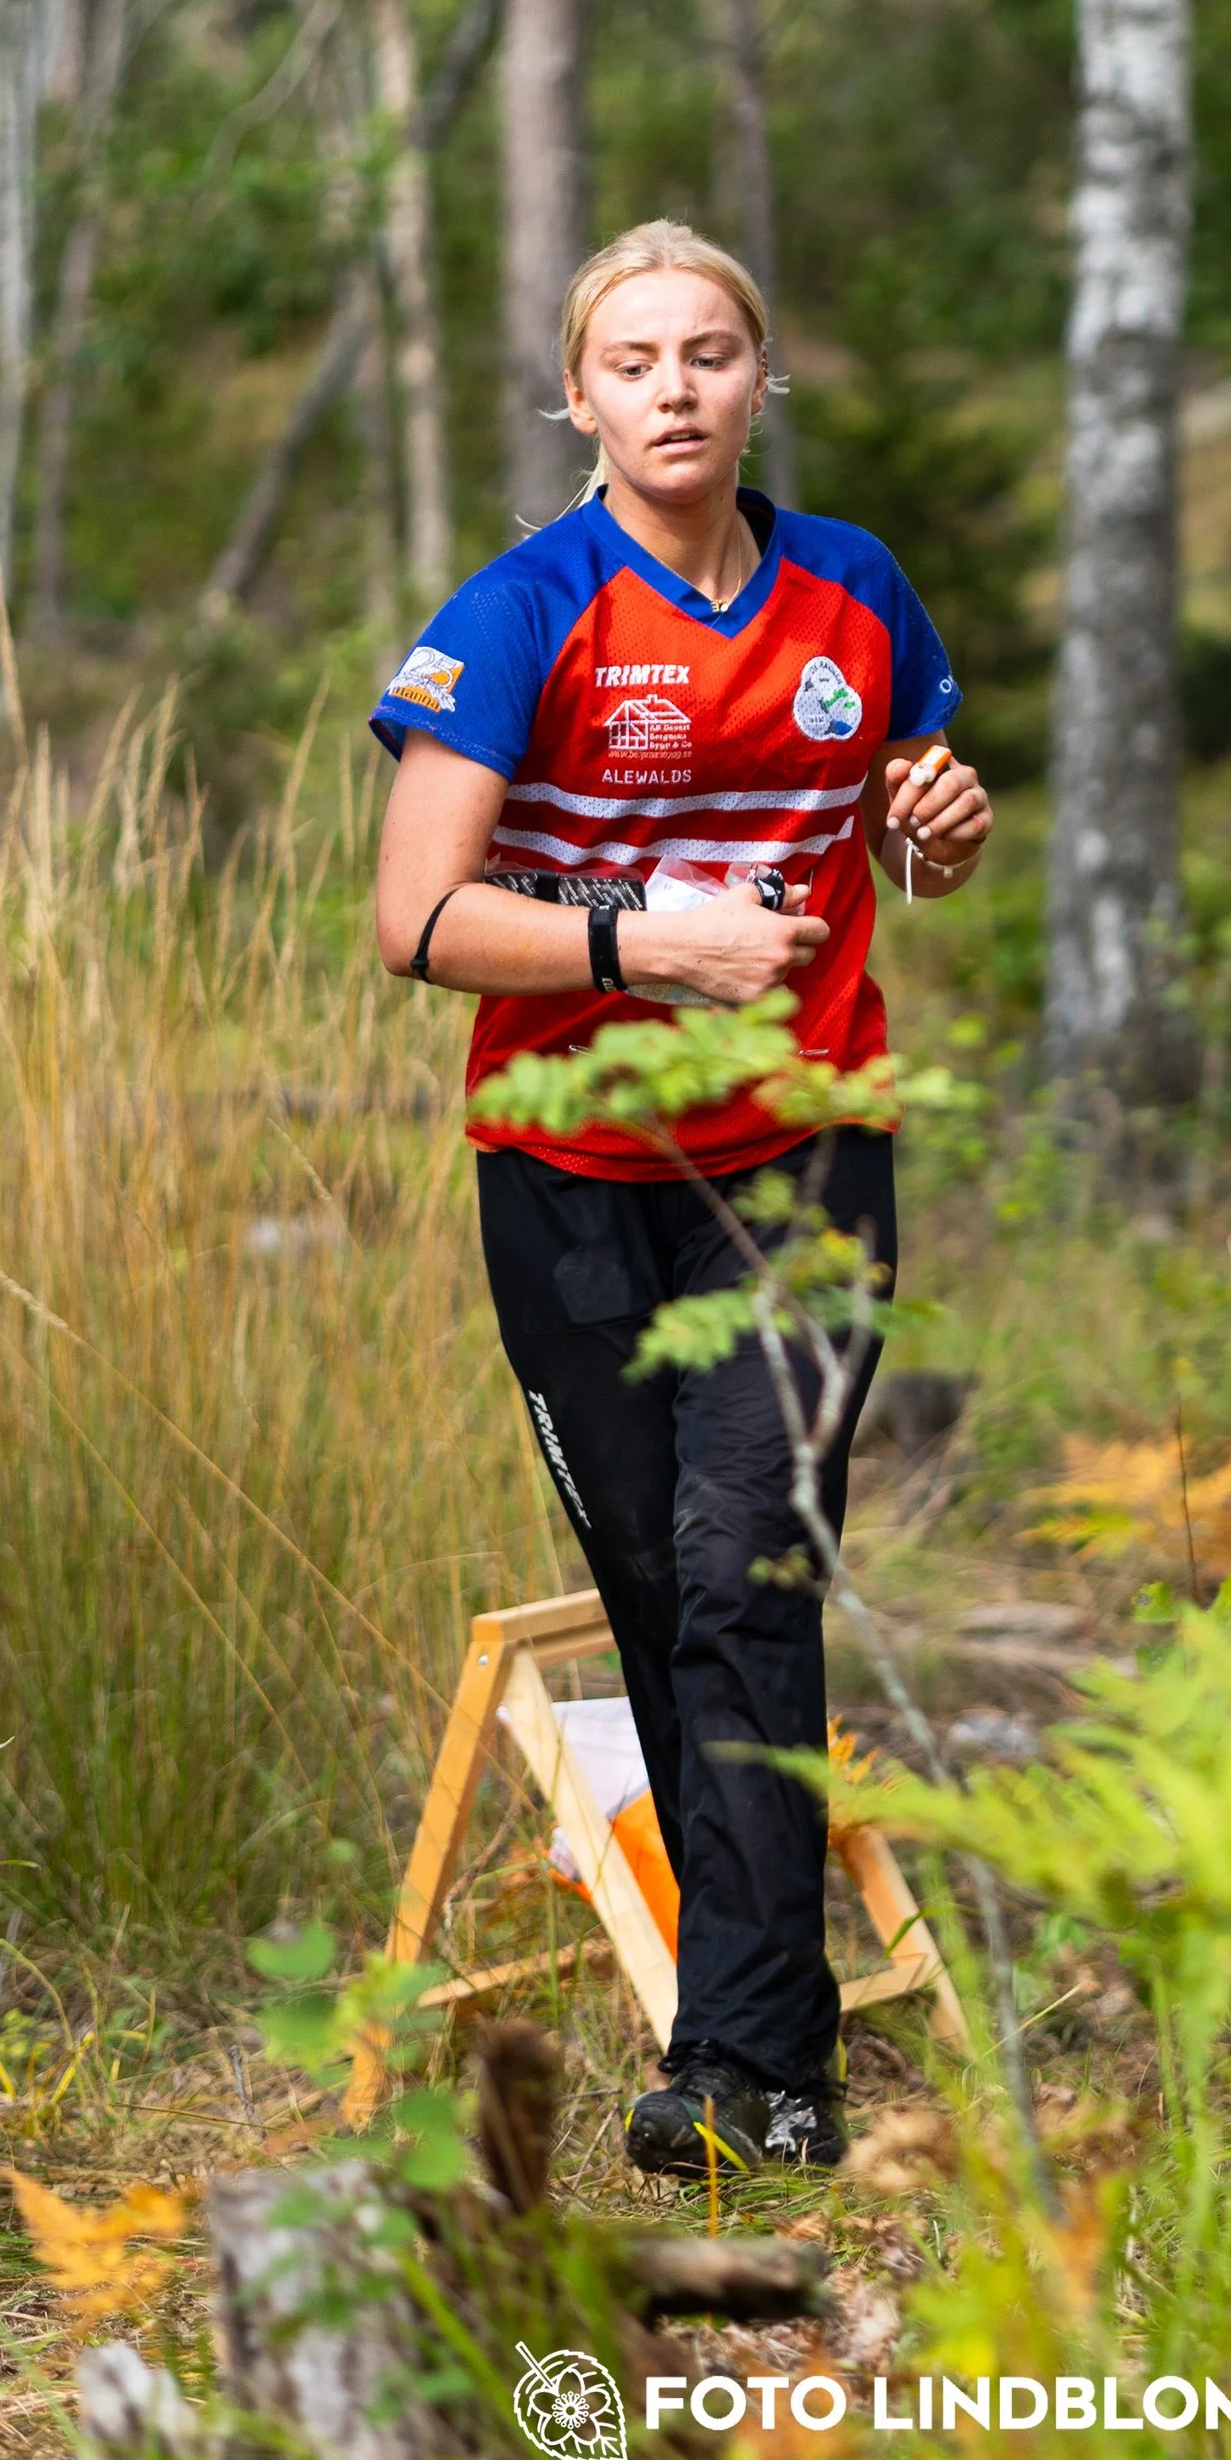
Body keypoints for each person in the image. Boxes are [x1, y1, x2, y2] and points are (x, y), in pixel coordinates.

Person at [370, 219, 992, 2173]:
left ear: (751, 378)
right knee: (659, 1581)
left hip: (804, 1149)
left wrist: (936, 822)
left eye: (707, 351)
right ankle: (740, 2035)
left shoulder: (849, 587)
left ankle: (756, 2060)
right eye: (632, 357)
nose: (673, 385)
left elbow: (911, 822)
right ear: (581, 393)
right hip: (571, 1169)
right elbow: (416, 917)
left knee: (753, 1557)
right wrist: (646, 943)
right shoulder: (526, 607)